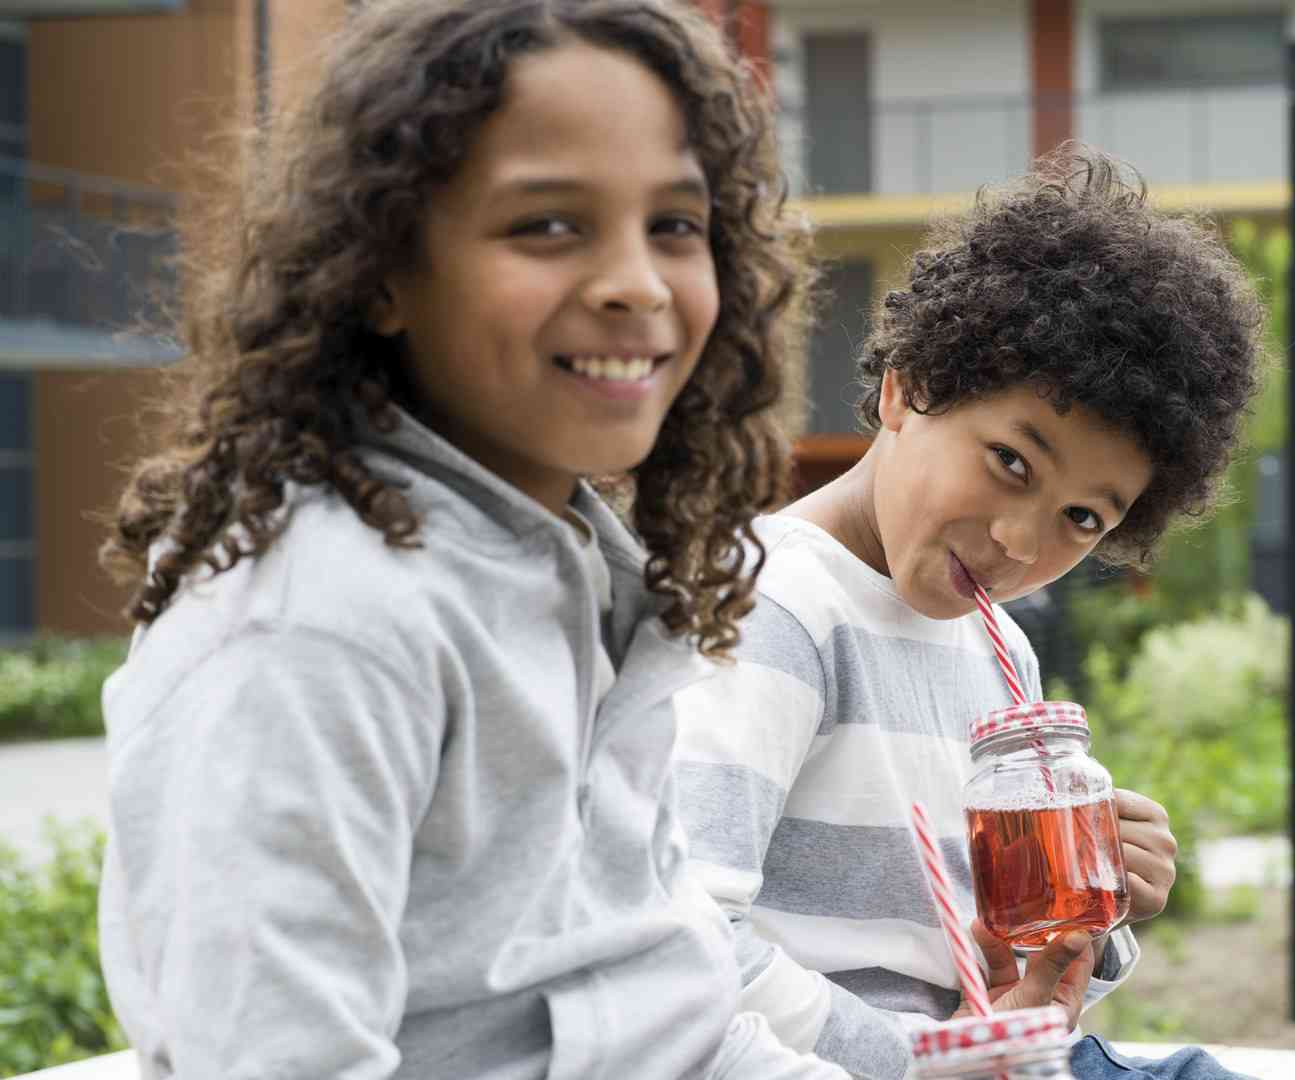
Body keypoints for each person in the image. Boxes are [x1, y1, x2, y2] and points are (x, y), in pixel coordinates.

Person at [93, 2, 845, 1076]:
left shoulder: (582, 573)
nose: (636, 281)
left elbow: (670, 1011)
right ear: (383, 271)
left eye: (674, 225)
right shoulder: (319, 625)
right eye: (548, 224)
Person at [671, 148, 1268, 1079]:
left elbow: (987, 982)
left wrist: (1081, 920)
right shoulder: (773, 607)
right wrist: (920, 1056)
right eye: (1012, 463)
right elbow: (689, 940)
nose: (1023, 543)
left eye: (1083, 517)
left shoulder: (1000, 656)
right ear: (909, 388)